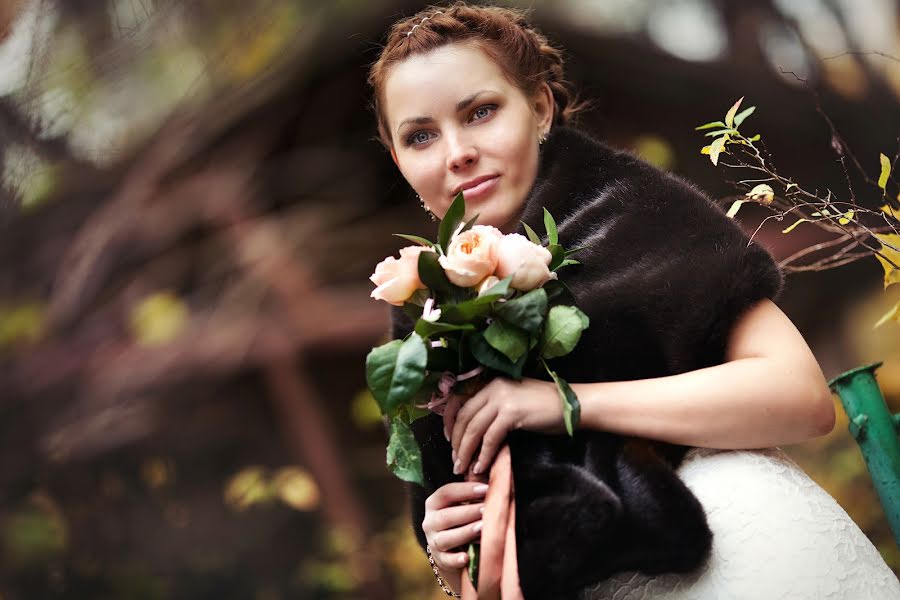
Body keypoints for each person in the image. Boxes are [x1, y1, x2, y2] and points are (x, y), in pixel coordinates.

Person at [367, 3, 900, 598]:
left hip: (746, 559)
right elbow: (489, 573)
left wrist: (560, 403)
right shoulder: (422, 309)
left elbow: (801, 398)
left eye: (481, 112)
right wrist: (451, 557)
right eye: (420, 136)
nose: (456, 152)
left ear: (540, 108)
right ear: (398, 159)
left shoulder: (636, 211)